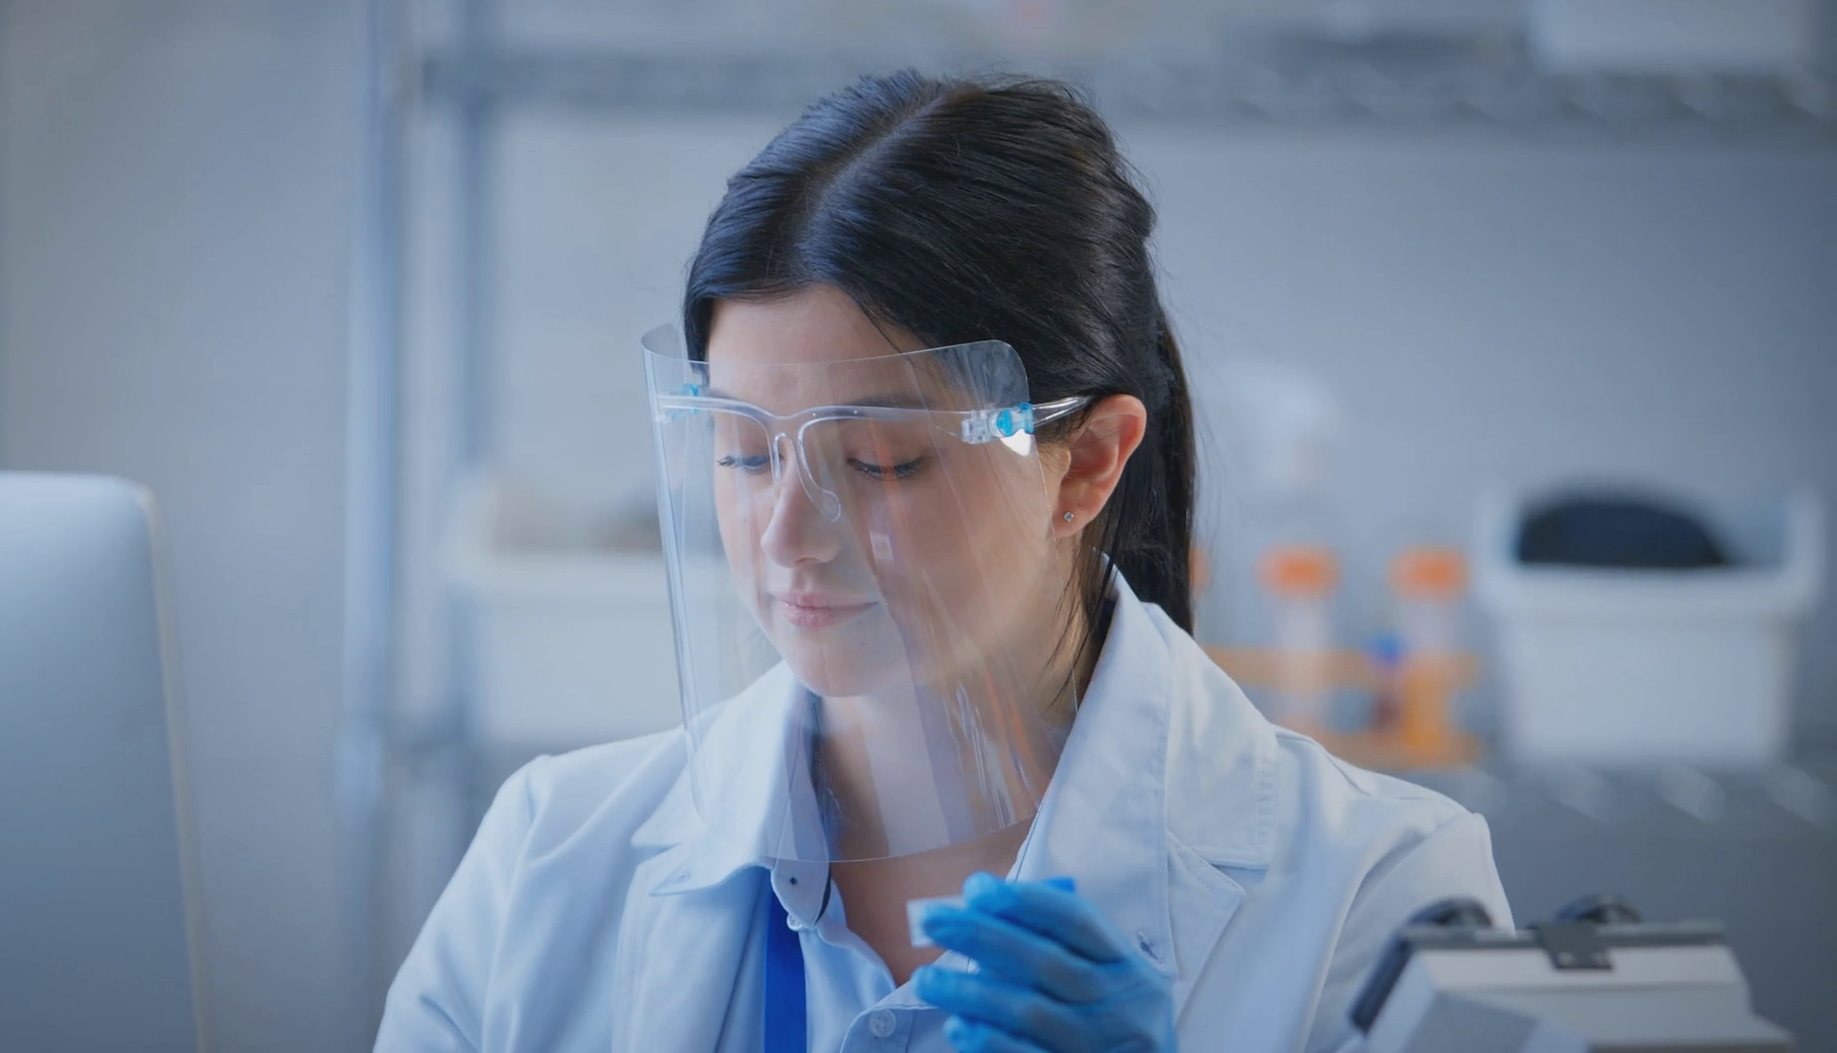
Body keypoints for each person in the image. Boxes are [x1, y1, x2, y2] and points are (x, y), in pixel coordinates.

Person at [375, 71, 1509, 1053]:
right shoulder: (549, 856)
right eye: (744, 453)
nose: (788, 536)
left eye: (881, 461)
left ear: (1085, 465)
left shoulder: (1384, 893)